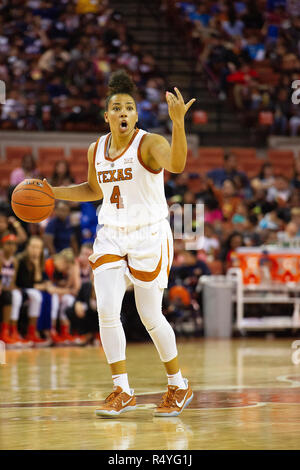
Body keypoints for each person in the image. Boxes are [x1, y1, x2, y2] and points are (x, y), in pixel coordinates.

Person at [44, 69, 195, 418]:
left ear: (136, 114)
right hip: (111, 231)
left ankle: (178, 384)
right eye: (117, 108)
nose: (123, 113)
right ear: (107, 115)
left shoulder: (150, 143)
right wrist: (54, 193)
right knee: (107, 310)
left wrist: (178, 124)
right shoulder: (96, 148)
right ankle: (122, 390)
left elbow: (178, 163)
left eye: (129, 107)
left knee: (149, 315)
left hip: (149, 232)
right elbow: (94, 190)